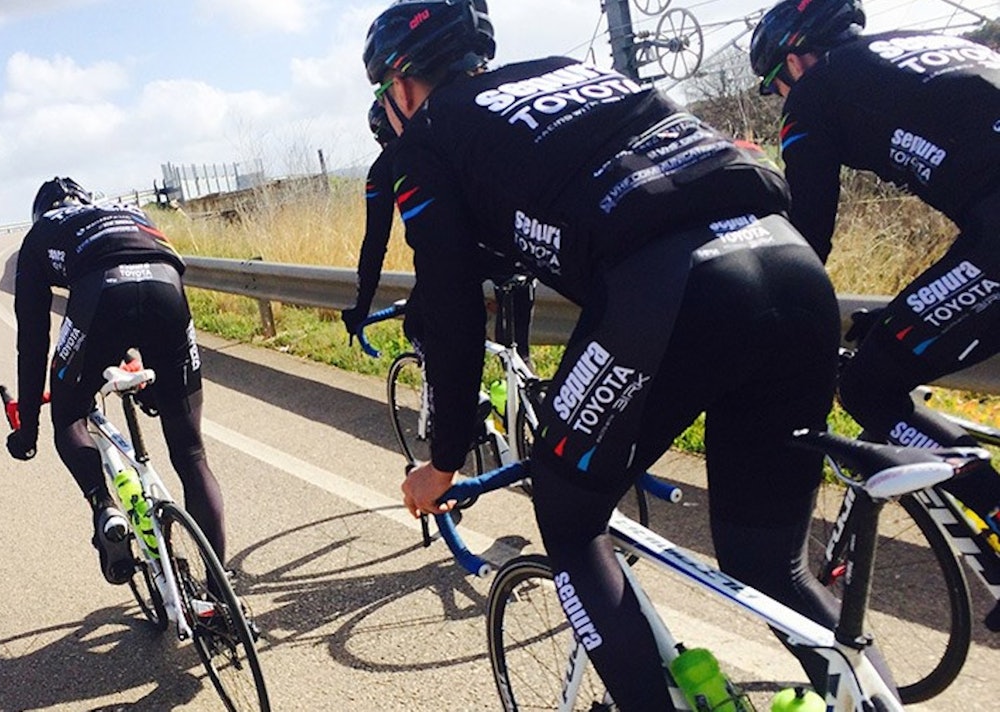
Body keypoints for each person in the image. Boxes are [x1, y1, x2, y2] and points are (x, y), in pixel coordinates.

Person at [365, 1, 858, 707]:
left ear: (403, 86)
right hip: (792, 265)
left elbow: (449, 310)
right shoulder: (573, 74)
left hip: (672, 288)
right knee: (767, 561)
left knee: (567, 515)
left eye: (386, 95)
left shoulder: (426, 140)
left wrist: (443, 461)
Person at [750, 0, 1000, 541]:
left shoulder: (815, 91)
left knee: (869, 387)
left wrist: (767, 310)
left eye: (772, 87)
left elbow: (808, 237)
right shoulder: (920, 47)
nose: (778, 102)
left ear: (793, 62)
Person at [7, 177, 226, 587]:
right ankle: (220, 604)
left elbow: (32, 341)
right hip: (166, 286)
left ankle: (103, 504)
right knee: (192, 455)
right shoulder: (125, 211)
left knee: (69, 416)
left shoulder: (40, 236)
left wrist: (29, 430)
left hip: (100, 294)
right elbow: (137, 291)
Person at [342, 101, 536, 365]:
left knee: (417, 328)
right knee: (517, 355)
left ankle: (461, 399)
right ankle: (528, 400)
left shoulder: (385, 166)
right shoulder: (451, 136)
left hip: (457, 260)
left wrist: (361, 307)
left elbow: (375, 243)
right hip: (520, 248)